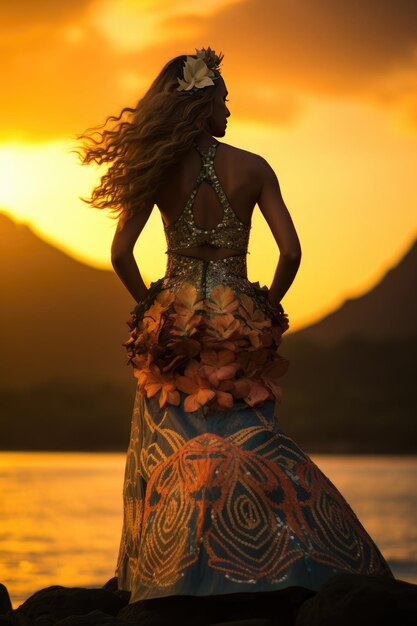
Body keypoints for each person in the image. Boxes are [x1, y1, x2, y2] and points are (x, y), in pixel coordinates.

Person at [77, 48, 393, 612]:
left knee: (171, 446)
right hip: (238, 315)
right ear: (202, 105)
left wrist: (150, 302)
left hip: (173, 317)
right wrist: (267, 304)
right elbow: (291, 251)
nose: (229, 109)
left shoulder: (156, 169)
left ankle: (167, 575)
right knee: (250, 442)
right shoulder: (253, 166)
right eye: (223, 98)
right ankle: (277, 562)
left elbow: (121, 253)